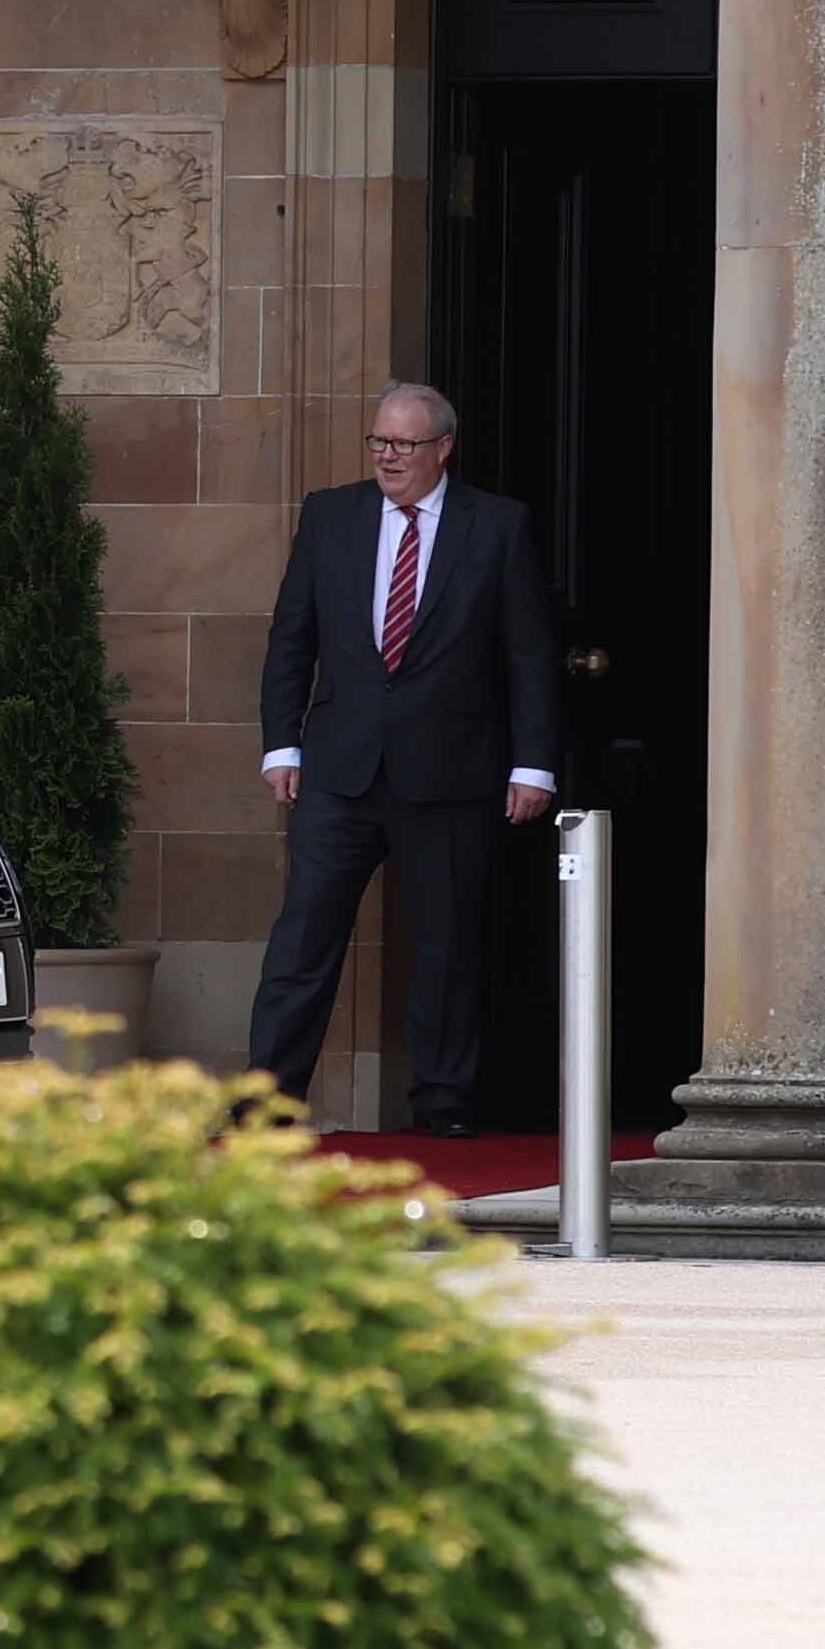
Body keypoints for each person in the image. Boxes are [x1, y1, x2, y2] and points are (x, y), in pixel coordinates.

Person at [245, 381, 560, 1140]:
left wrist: (534, 764)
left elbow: (529, 653)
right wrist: (281, 744)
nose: (388, 456)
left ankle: (443, 1102)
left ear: (443, 448)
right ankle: (266, 1101)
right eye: (379, 442)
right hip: (338, 770)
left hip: (451, 771)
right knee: (302, 940)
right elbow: (293, 636)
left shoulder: (498, 526)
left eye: (404, 445)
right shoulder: (331, 515)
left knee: (446, 947)